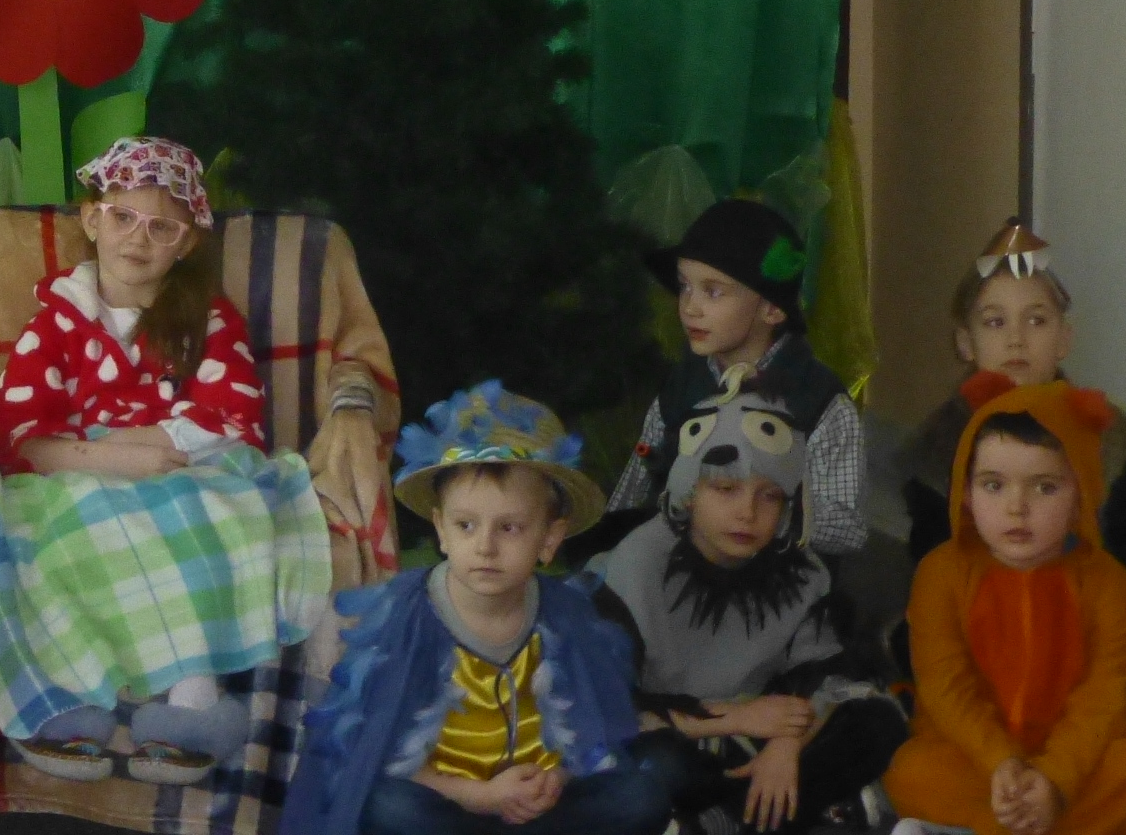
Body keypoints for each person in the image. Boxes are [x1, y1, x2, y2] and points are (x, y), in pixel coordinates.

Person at [0, 135, 329, 784]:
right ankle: (73, 693)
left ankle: (192, 701)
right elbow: (23, 433)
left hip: (185, 469)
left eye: (161, 227)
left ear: (186, 243)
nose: (139, 237)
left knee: (210, 513)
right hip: (74, 474)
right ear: (92, 219)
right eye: (123, 217)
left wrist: (152, 447)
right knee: (49, 529)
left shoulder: (208, 321)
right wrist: (111, 456)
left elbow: (231, 413)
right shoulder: (53, 323)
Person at [282, 382, 676, 835]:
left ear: (549, 538)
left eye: (509, 528)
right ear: (441, 531)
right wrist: (481, 796)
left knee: (639, 795)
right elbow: (372, 750)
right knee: (389, 807)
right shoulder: (410, 616)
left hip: (538, 806)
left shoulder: (566, 614)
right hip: (450, 803)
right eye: (466, 525)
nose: (485, 546)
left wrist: (555, 781)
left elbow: (594, 727)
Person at [885, 377, 1126, 835]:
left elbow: (1108, 695)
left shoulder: (1108, 581)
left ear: (1081, 496)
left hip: (1077, 754)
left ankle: (1021, 820)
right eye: (993, 485)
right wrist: (1002, 761)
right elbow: (945, 686)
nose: (1016, 507)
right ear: (967, 494)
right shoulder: (940, 574)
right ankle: (1055, 821)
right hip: (979, 756)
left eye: (1044, 488)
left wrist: (1056, 778)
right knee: (909, 771)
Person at [596, 379, 905, 831]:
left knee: (877, 723)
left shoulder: (801, 571)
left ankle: (726, 821)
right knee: (655, 767)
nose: (748, 512)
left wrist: (786, 744)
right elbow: (610, 707)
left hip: (762, 737)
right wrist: (735, 719)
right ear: (690, 493)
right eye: (726, 489)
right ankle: (756, 820)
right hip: (678, 734)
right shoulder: (638, 563)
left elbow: (823, 679)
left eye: (770, 495)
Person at [900, 220, 1126, 715]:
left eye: (1036, 321)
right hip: (985, 646)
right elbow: (934, 578)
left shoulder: (1104, 436)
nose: (1016, 340)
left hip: (1083, 641)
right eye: (995, 322)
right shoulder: (939, 450)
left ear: (1063, 339)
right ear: (965, 343)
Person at [604, 201, 865, 555]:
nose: (689, 307)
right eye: (684, 286)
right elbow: (634, 488)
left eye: (713, 291)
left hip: (776, 579)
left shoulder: (820, 402)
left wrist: (773, 508)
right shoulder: (681, 387)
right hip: (676, 572)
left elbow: (849, 529)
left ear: (772, 309)